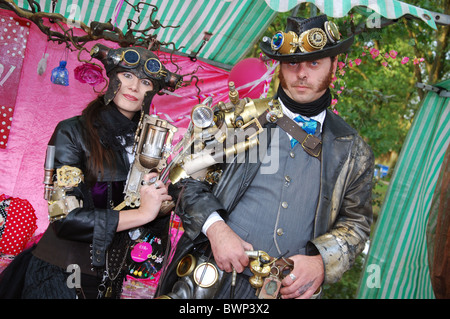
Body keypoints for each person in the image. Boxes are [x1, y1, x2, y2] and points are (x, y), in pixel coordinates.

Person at [158, 15, 374, 299]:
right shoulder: (245, 122)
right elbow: (186, 178)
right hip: (212, 280)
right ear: (281, 67)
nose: (302, 74)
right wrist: (215, 228)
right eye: (292, 63)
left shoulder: (350, 149)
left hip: (289, 291)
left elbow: (356, 223)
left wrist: (322, 261)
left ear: (334, 65)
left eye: (314, 63)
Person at [0, 44, 188, 299]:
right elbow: (65, 219)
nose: (134, 87)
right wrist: (144, 213)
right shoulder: (72, 132)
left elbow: (146, 228)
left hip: (110, 281)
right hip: (60, 276)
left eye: (145, 82)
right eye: (127, 75)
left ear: (152, 91)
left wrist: (160, 204)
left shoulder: (152, 146)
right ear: (113, 77)